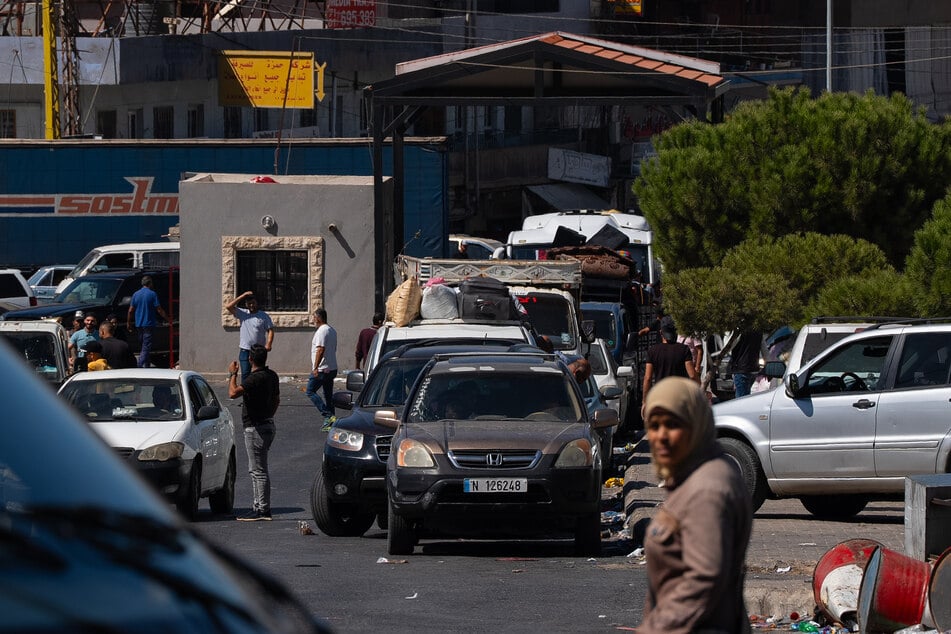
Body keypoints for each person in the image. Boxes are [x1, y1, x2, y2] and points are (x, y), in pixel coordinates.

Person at [639, 376, 752, 633]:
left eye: (673, 424)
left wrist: (655, 628)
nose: (661, 436)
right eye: (654, 426)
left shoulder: (706, 489)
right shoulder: (696, 475)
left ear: (695, 424)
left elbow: (705, 577)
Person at [228, 344, 280, 522]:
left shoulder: (253, 379)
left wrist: (233, 374)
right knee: (258, 469)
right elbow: (276, 399)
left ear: (250, 359)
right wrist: (268, 415)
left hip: (255, 428)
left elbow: (233, 393)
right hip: (268, 425)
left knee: (258, 471)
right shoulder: (272, 376)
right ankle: (258, 506)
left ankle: (262, 510)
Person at [642, 322, 697, 417]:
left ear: (661, 333)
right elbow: (692, 375)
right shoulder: (684, 349)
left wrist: (645, 400)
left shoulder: (652, 351)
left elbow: (648, 378)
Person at [225, 291, 275, 382]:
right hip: (245, 350)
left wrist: (269, 344)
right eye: (249, 303)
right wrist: (243, 295)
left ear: (257, 303)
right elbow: (229, 307)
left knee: (259, 373)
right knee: (245, 373)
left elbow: (270, 330)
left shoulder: (263, 316)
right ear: (246, 304)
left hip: (258, 350)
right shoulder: (243, 313)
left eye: (253, 303)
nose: (251, 305)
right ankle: (246, 394)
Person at [127, 275, 170, 368]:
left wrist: (128, 323)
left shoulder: (136, 294)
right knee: (146, 346)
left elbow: (130, 310)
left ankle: (146, 365)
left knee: (143, 345)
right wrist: (168, 319)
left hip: (139, 324)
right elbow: (159, 309)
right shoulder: (152, 294)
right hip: (149, 324)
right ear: (149, 283)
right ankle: (139, 365)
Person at [307, 308, 338, 431]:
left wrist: (315, 367)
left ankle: (328, 415)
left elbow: (320, 349)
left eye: (314, 317)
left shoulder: (321, 331)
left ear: (319, 318)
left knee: (310, 391)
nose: (313, 320)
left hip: (322, 369)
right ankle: (332, 422)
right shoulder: (332, 330)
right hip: (331, 368)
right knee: (328, 394)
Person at [729, 329, 762, 398]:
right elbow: (764, 348)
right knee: (747, 397)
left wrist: (728, 334)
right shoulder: (758, 329)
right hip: (754, 368)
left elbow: (729, 347)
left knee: (741, 400)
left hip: (742, 369)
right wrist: (768, 362)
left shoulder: (739, 329)